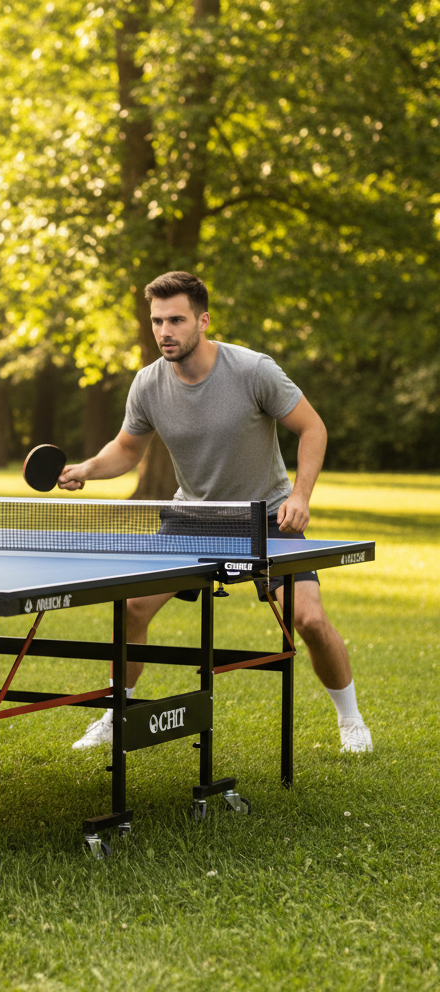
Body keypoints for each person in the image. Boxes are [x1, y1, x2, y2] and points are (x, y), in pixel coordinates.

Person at [58, 271, 372, 755]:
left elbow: (313, 428)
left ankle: (350, 720)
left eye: (177, 320)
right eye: (158, 321)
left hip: (265, 519)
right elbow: (126, 449)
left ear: (203, 321)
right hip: (191, 523)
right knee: (132, 607)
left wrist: (301, 496)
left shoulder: (253, 370)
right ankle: (117, 712)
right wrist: (88, 468)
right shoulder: (147, 384)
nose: (166, 330)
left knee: (307, 620)